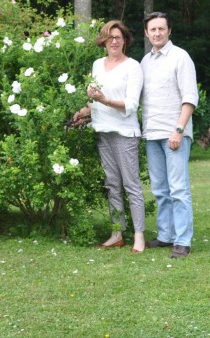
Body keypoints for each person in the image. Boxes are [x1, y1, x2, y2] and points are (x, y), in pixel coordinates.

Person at [73, 20, 146, 253]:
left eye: (118, 37)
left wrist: (103, 99)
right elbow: (96, 99)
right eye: (109, 37)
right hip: (102, 131)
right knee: (112, 185)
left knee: (131, 185)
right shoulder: (97, 65)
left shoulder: (133, 67)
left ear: (125, 41)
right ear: (103, 41)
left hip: (125, 133)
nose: (114, 41)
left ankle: (139, 236)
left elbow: (131, 105)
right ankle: (117, 234)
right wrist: (86, 110)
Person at [141, 12, 198, 259]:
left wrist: (178, 130)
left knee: (178, 189)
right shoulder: (145, 61)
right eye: (152, 29)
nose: (157, 33)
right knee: (160, 190)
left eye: (161, 29)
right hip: (151, 133)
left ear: (169, 31)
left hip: (173, 133)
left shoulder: (180, 57)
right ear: (146, 33)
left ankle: (183, 241)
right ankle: (166, 236)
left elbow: (190, 97)